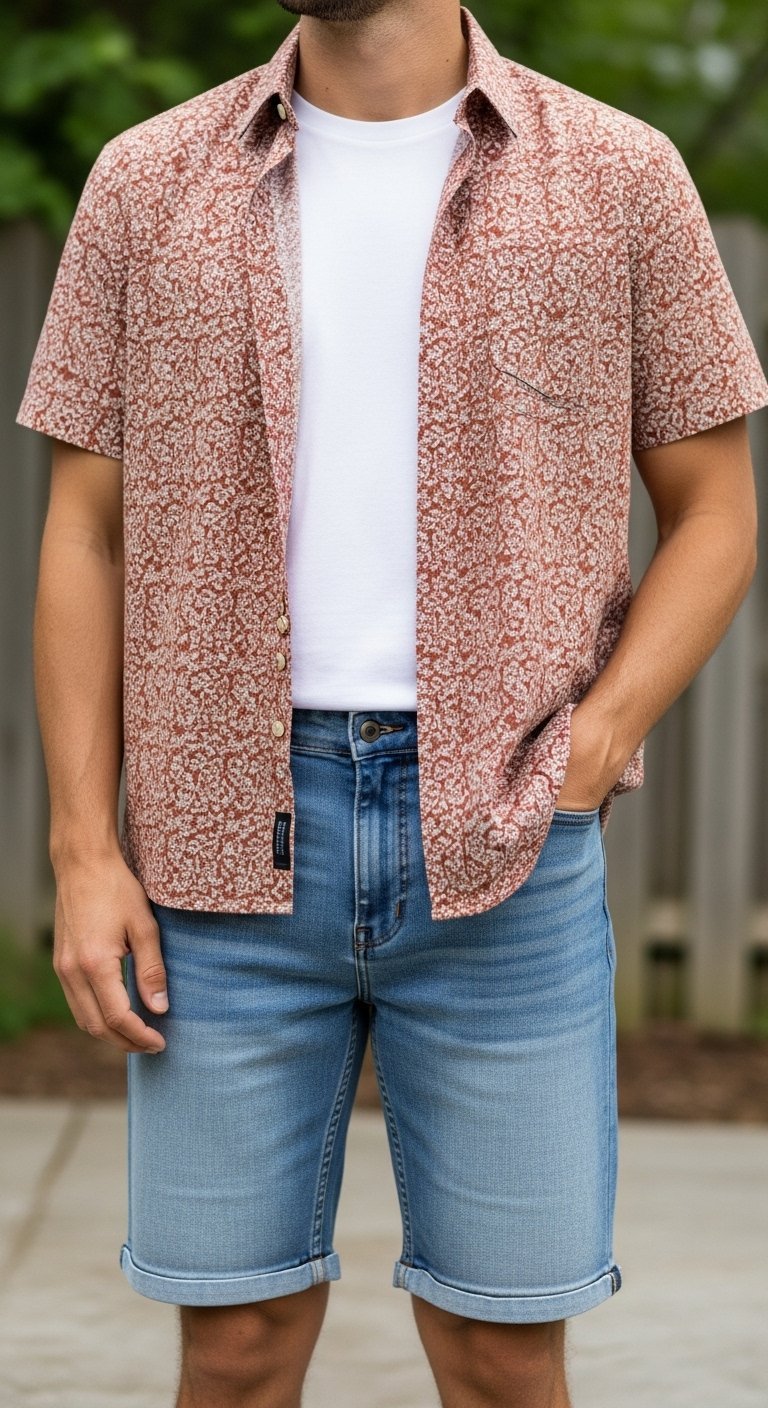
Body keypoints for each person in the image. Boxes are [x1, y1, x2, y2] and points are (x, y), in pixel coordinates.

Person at [16, 1, 768, 1404]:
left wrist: (593, 745)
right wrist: (81, 847)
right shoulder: (146, 178)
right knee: (233, 1351)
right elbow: (85, 530)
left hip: (509, 847)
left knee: (500, 1356)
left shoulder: (617, 173)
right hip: (220, 852)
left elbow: (716, 508)